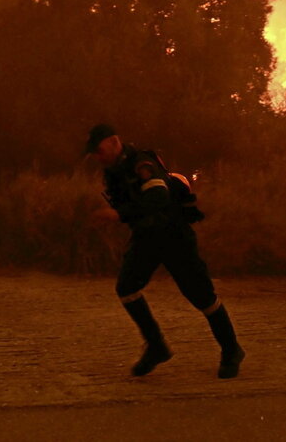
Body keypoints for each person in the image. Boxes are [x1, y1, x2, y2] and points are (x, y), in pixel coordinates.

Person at [86, 123, 245, 379]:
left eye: (99, 150)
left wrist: (118, 214)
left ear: (115, 142)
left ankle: (231, 350)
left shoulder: (142, 163)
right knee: (126, 288)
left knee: (202, 297)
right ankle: (156, 346)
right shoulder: (113, 172)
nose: (97, 156)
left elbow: (158, 196)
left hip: (174, 236)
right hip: (146, 238)